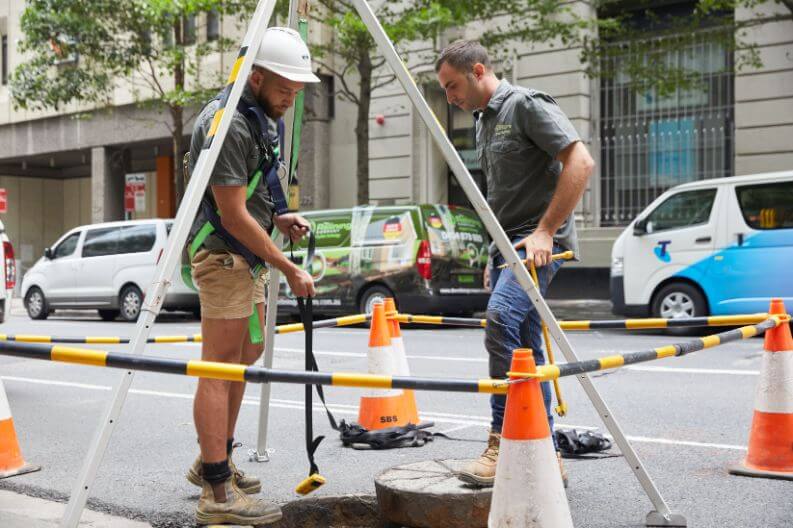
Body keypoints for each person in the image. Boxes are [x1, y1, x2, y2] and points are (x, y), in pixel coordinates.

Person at [435, 40, 595, 487]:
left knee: (500, 320)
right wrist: (495, 254)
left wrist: (545, 230)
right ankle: (544, 458)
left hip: (540, 245)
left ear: (479, 70)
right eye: (444, 90)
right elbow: (501, 200)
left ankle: (502, 442)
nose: (450, 97)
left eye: (452, 86)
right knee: (527, 353)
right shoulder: (484, 123)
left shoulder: (524, 105)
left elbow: (580, 161)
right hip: (509, 251)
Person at [185, 27, 318, 525]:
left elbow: (263, 182)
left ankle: (213, 458)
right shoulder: (228, 124)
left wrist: (280, 217)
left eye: (298, 88)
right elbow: (233, 212)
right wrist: (286, 264)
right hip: (224, 255)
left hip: (248, 256)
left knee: (245, 356)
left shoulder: (263, 116)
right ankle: (217, 495)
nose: (293, 96)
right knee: (219, 366)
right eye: (286, 88)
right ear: (256, 77)